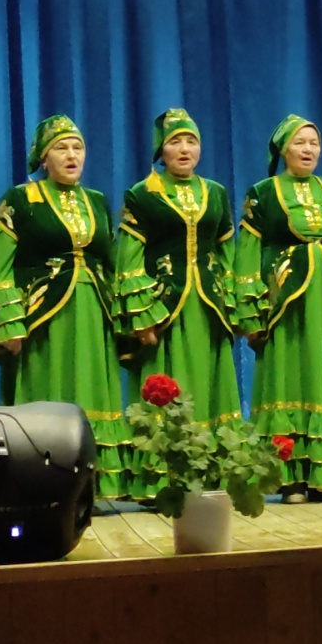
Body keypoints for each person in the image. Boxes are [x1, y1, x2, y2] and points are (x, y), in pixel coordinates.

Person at [0, 115, 131, 498]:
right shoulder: (20, 199)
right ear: (44, 158)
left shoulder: (96, 201)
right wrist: (8, 322)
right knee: (47, 390)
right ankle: (40, 480)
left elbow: (112, 261)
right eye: (61, 148)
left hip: (94, 309)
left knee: (93, 391)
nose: (71, 155)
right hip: (43, 317)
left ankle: (94, 483)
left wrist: (124, 316)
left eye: (77, 148)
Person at [236, 115, 322, 503]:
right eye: (300, 142)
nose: (308, 149)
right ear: (284, 150)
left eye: (314, 142)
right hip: (285, 303)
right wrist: (250, 310)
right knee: (288, 378)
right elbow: (247, 252)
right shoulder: (263, 193)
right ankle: (291, 479)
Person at [115, 109, 241, 499]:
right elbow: (129, 257)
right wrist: (140, 314)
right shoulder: (142, 194)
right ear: (161, 151)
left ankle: (213, 475)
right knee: (167, 389)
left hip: (208, 307)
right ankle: (164, 483)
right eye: (175, 142)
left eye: (191, 141)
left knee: (210, 387)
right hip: (163, 309)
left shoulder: (215, 193)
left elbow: (227, 253)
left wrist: (232, 302)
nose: (184, 149)